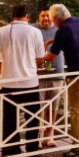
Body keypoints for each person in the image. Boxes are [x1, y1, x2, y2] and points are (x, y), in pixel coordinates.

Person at [0, 4, 48, 157]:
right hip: (30, 83)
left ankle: (12, 153)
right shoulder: (35, 32)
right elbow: (40, 58)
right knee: (32, 119)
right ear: (28, 16)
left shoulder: (1, 32)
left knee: (9, 121)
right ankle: (31, 152)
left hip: (8, 83)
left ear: (12, 16)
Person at [43, 3, 79, 157]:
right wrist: (53, 41)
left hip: (77, 74)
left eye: (51, 19)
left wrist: (38, 60)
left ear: (56, 18)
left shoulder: (62, 30)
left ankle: (77, 147)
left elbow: (52, 56)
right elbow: (74, 36)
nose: (52, 22)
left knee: (76, 110)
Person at [34, 8, 65, 147]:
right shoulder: (33, 30)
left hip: (57, 74)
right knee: (39, 107)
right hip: (39, 75)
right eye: (42, 16)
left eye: (47, 16)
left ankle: (50, 136)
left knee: (53, 107)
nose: (45, 19)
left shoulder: (59, 30)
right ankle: (38, 137)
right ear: (38, 17)